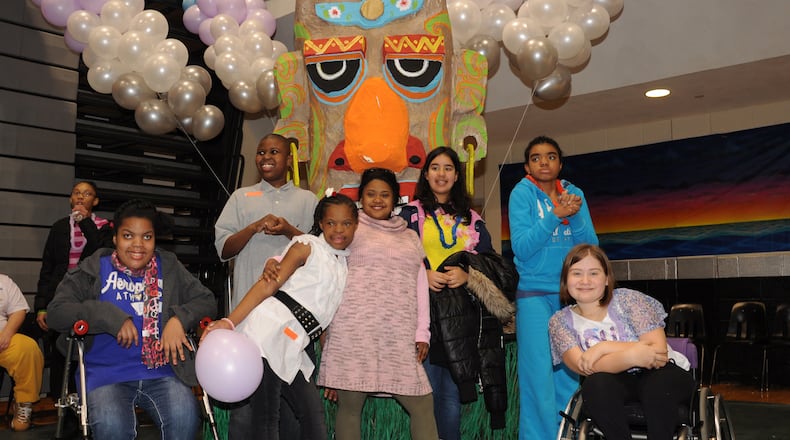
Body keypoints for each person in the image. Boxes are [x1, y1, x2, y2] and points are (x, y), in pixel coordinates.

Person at [47, 199, 217, 440]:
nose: (138, 244)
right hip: (105, 375)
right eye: (128, 236)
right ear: (115, 238)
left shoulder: (168, 266)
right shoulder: (94, 268)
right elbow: (56, 312)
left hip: (160, 372)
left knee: (185, 418)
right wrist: (109, 316)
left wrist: (179, 319)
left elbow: (206, 300)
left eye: (147, 237)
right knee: (113, 426)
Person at [205, 193, 359, 440]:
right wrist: (229, 321)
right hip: (268, 334)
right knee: (266, 419)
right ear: (321, 223)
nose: (338, 230)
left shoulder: (343, 263)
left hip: (296, 344)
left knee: (312, 415)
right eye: (331, 223)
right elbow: (269, 285)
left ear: (355, 225)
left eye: (346, 223)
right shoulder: (307, 245)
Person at [400, 147, 516, 440]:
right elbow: (394, 258)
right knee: (425, 396)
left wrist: (468, 276)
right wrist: (422, 274)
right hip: (420, 315)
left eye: (448, 168)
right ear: (426, 174)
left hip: (460, 318)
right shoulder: (408, 214)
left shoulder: (472, 219)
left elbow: (490, 264)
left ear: (456, 176)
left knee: (450, 399)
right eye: (435, 167)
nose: (441, 174)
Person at [318, 168, 438, 440]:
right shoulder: (349, 228)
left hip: (398, 337)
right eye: (371, 194)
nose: (377, 200)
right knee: (350, 408)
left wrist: (422, 333)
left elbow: (421, 285)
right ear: (361, 197)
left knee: (422, 404)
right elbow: (319, 263)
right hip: (353, 335)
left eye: (385, 194)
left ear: (395, 199)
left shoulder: (410, 237)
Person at [549, 244, 695, 439]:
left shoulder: (628, 300)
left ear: (606, 279)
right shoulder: (560, 322)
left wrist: (603, 347)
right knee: (595, 384)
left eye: (593, 273)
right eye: (576, 273)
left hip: (662, 372)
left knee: (658, 386)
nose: (585, 281)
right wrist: (633, 355)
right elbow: (585, 366)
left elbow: (658, 354)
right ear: (565, 280)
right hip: (613, 381)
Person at [507, 135, 599, 439]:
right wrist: (555, 215)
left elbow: (590, 246)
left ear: (560, 164)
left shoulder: (575, 194)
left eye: (550, 156)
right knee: (537, 376)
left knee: (569, 375)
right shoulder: (521, 194)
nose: (543, 162)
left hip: (569, 296)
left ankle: (566, 435)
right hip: (533, 295)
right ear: (527, 166)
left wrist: (573, 216)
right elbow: (522, 248)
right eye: (536, 158)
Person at [214, 133, 318, 312]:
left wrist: (289, 230)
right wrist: (253, 227)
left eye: (274, 152)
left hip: (292, 306)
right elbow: (224, 250)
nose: (266, 157)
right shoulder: (241, 197)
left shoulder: (308, 200)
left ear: (289, 160)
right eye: (261, 153)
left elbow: (320, 253)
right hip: (247, 305)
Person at [35, 181, 112, 399]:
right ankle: (62, 406)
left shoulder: (105, 226)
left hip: (91, 298)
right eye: (76, 193)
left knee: (88, 352)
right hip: (61, 297)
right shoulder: (59, 227)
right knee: (60, 353)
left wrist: (85, 221)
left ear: (95, 201)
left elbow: (102, 252)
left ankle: (88, 404)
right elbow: (48, 268)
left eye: (87, 194)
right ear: (70, 198)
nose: (80, 197)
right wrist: (42, 306)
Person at [0, 274, 45, 432]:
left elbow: (18, 310)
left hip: (2, 338)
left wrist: (7, 334)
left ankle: (23, 404)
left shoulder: (4, 281)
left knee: (28, 348)